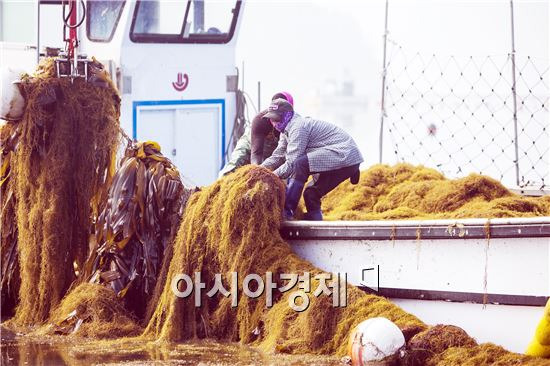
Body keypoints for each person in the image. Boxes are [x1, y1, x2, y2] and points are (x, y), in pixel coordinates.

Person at [261, 98, 363, 220]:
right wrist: (259, 170)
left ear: (287, 115)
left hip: (344, 153)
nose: (273, 122)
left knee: (300, 164)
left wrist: (271, 177)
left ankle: (287, 212)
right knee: (311, 193)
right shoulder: (285, 131)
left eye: (276, 118)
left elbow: (292, 163)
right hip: (347, 161)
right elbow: (278, 156)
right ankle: (316, 223)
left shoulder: (298, 127)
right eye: (271, 119)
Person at [219, 92, 294, 176]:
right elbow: (256, 154)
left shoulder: (294, 125)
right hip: (251, 145)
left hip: (275, 152)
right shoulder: (260, 120)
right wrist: (256, 173)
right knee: (235, 164)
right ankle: (218, 185)